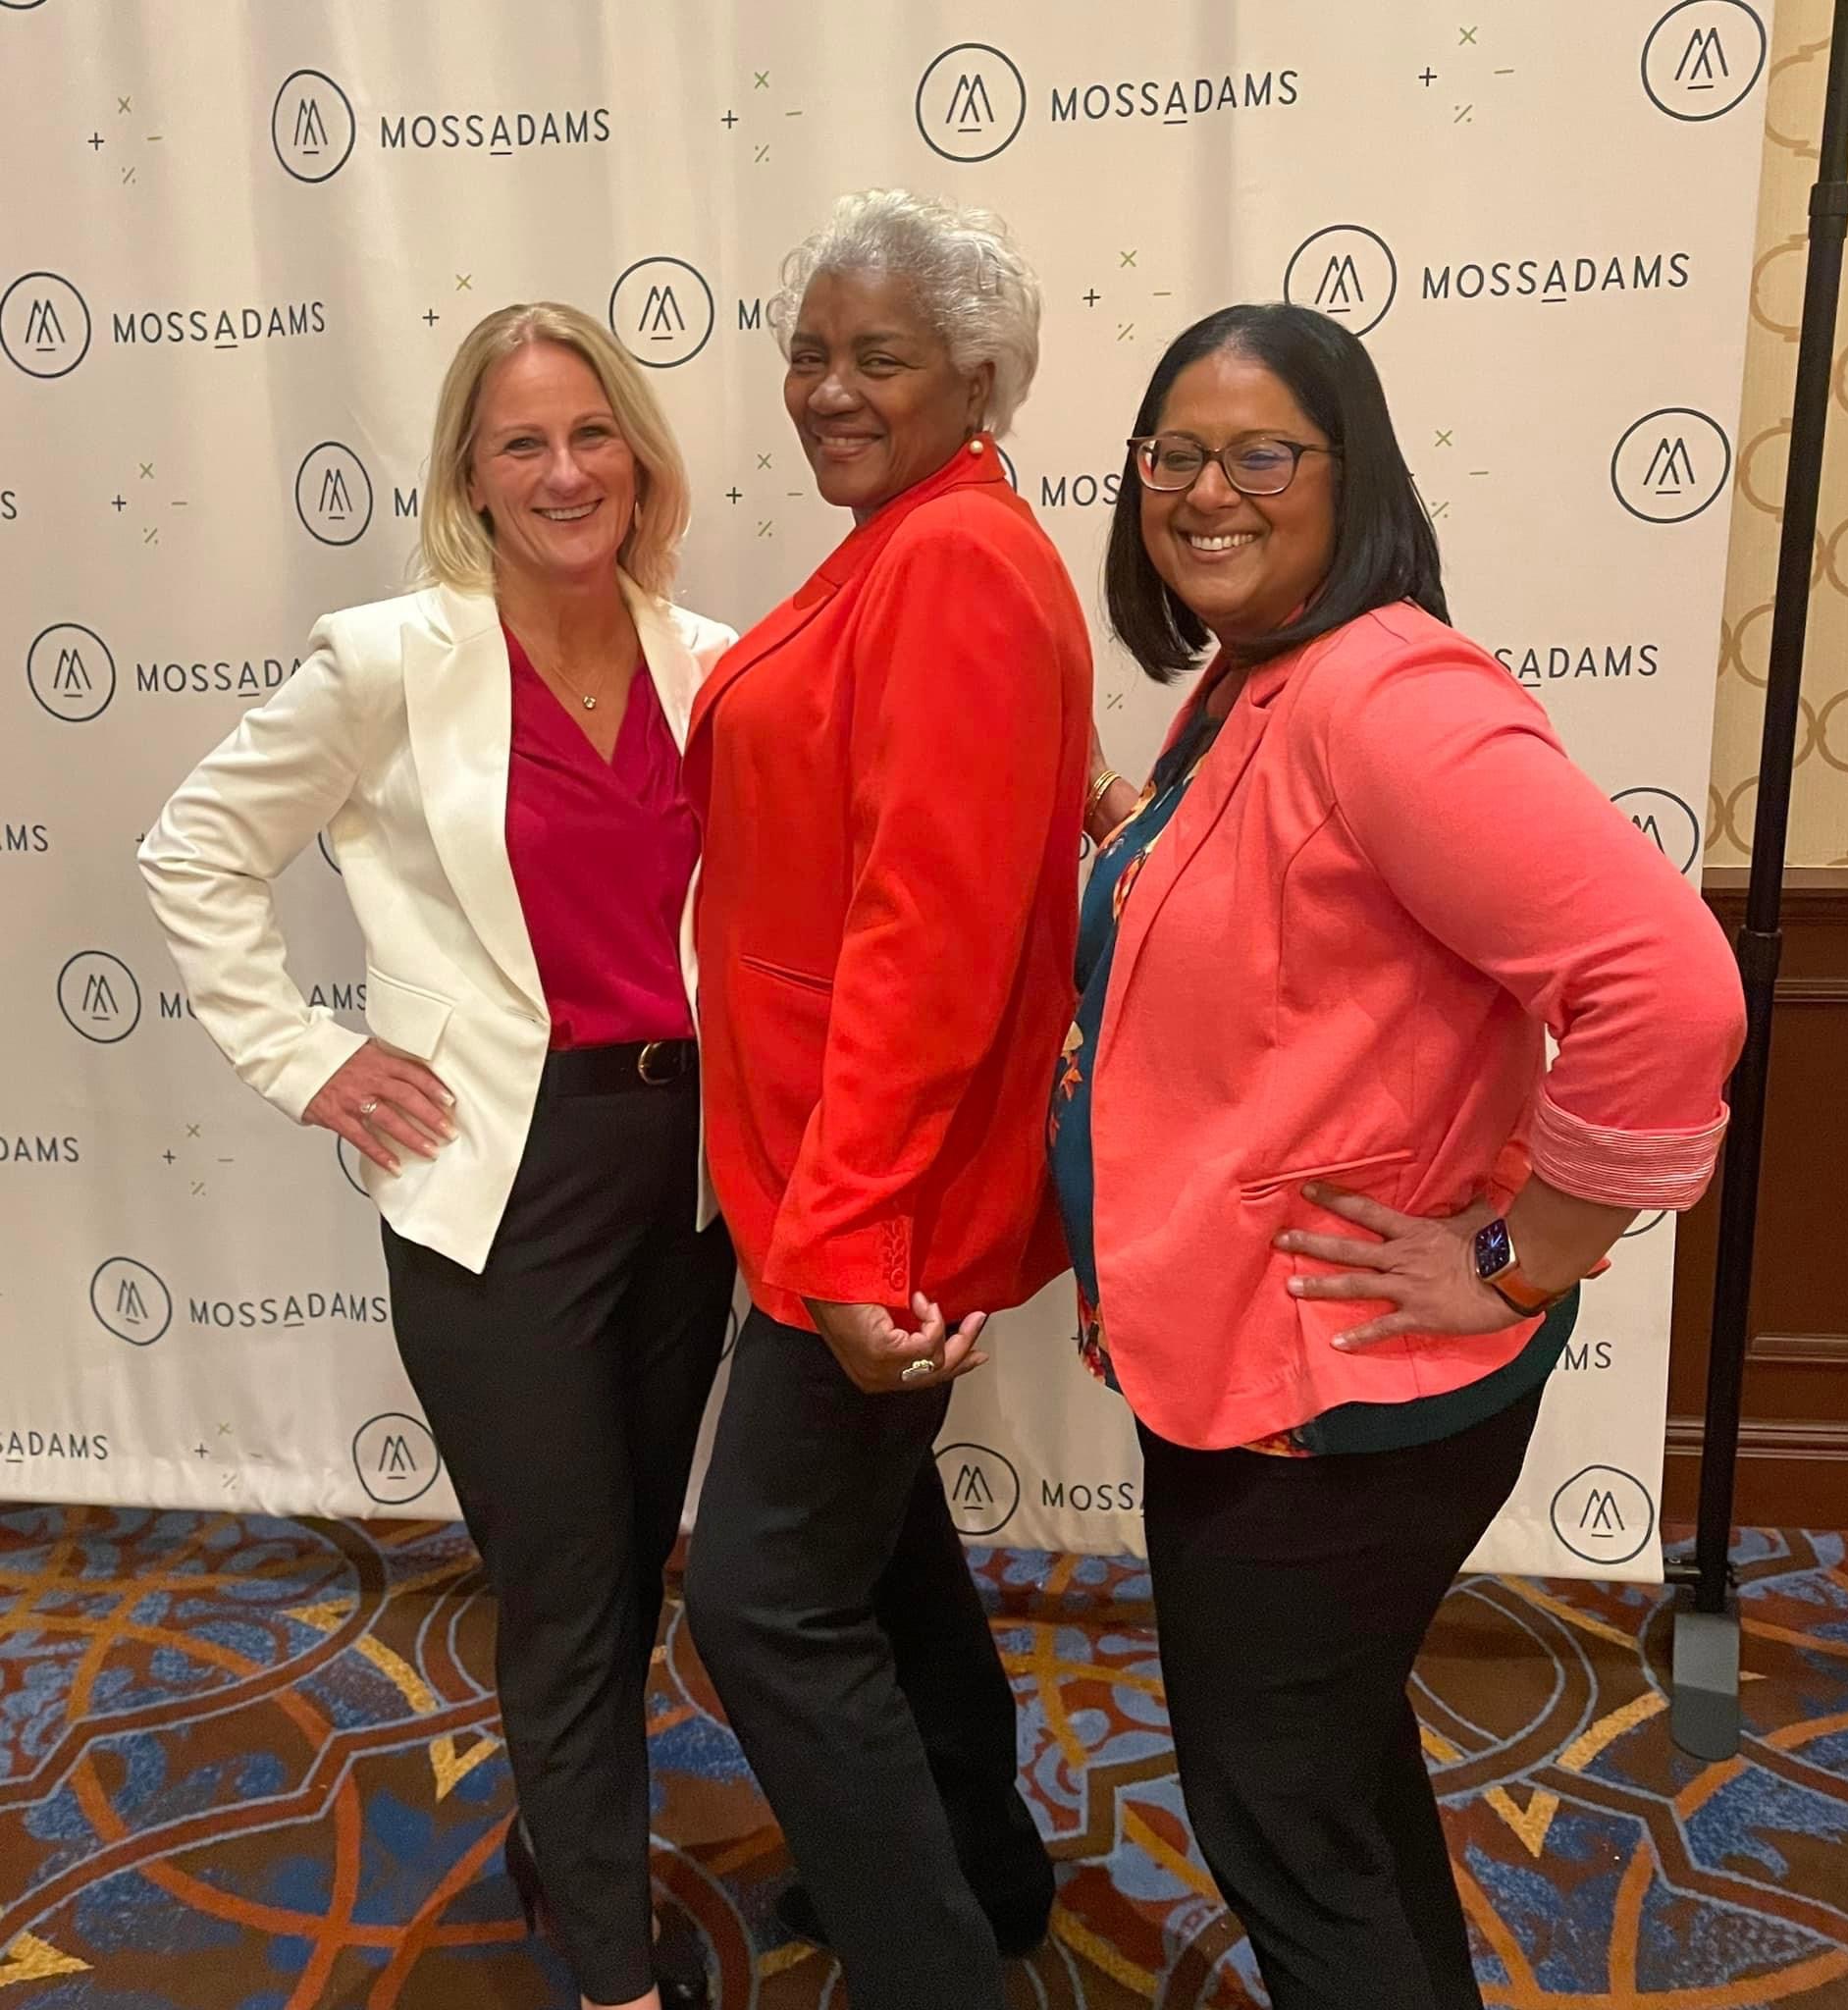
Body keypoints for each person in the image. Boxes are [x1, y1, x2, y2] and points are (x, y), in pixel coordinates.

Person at [1059, 303, 1746, 2010]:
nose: (1208, 490)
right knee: (1328, 1780)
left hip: (1337, 1396)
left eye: (1260, 454)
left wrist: (1529, 1246)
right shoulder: (1255, 680)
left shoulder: (1383, 695)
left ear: (1347, 480)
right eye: (1175, 455)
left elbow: (1667, 988)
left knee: (1276, 1814)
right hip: (1265, 1361)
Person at [138, 303, 737, 2010]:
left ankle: (565, 1849)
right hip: (499, 1178)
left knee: (628, 1565)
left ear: (639, 453)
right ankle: (615, 1976)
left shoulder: (712, 658)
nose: (564, 471)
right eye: (522, 443)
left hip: (683, 1172)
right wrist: (311, 1058)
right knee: (562, 1579)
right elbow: (194, 854)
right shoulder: (389, 656)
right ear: (468, 478)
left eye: (591, 434)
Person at [678, 190, 1091, 2010]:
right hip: (821, 1166)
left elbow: (927, 937)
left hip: (868, 1197)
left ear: (978, 377)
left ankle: (941, 1973)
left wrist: (842, 1234)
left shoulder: (947, 561)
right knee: (875, 1554)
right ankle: (984, 1877)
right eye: (808, 354)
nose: (826, 391)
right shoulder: (914, 538)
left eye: (878, 357)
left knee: (763, 1605)